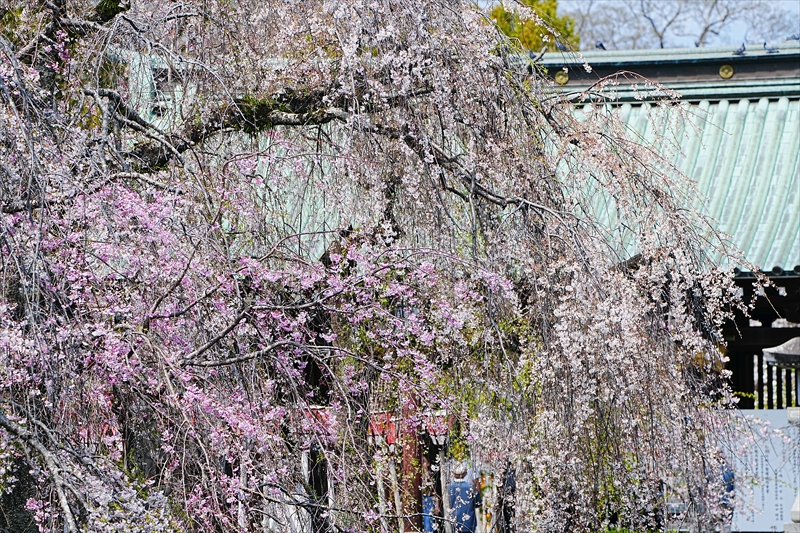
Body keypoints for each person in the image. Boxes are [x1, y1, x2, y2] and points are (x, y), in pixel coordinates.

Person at [447, 462, 482, 533]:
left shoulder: (448, 488)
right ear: (465, 473)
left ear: (453, 474)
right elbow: (478, 503)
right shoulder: (471, 487)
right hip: (469, 522)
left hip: (453, 521)